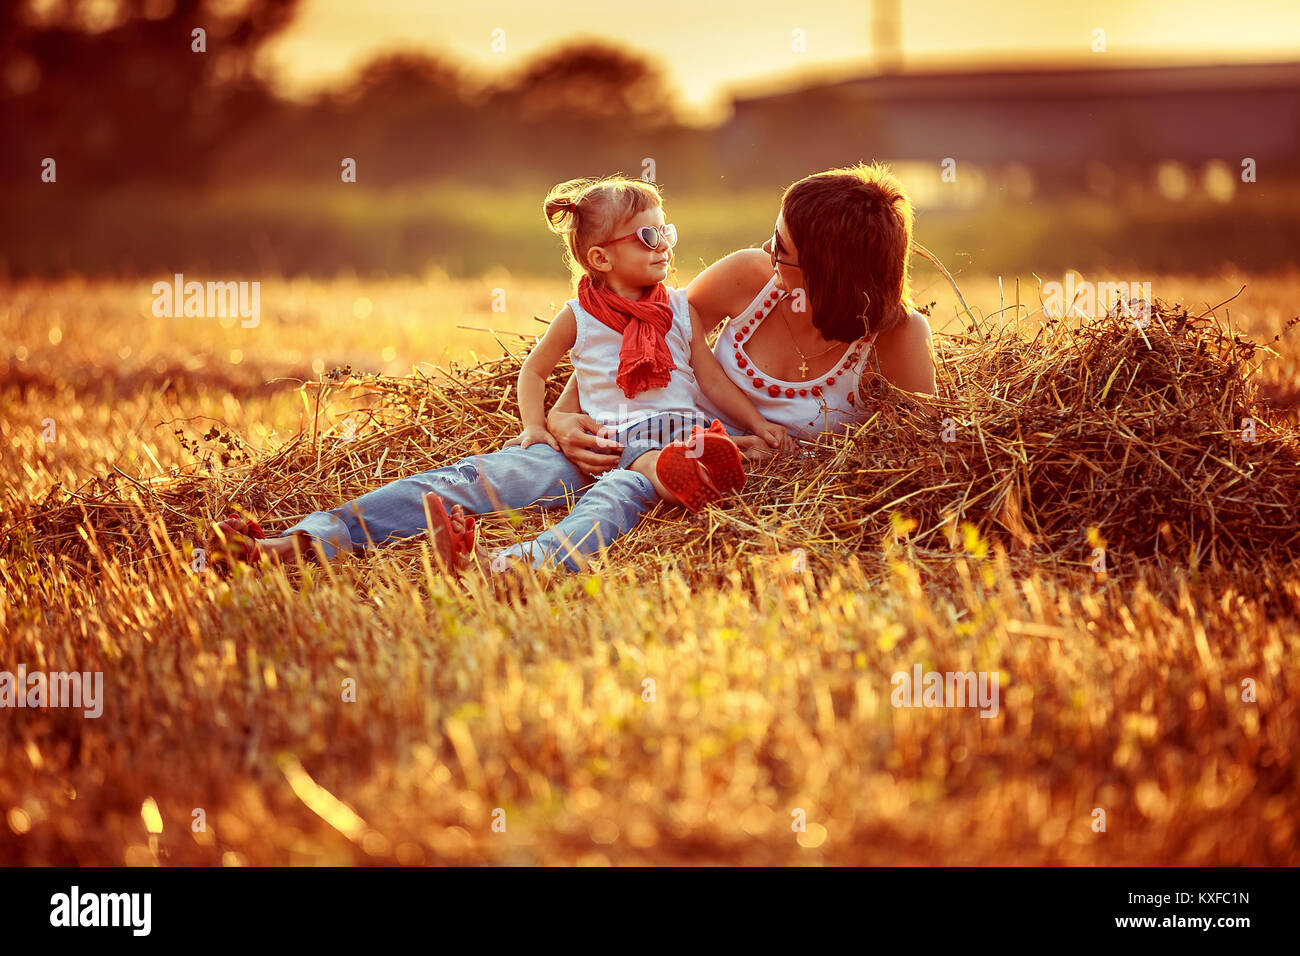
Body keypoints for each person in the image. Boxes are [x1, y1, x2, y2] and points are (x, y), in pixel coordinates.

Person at [207, 174, 792, 576]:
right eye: (647, 235)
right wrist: (537, 428)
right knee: (469, 478)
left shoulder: (682, 309)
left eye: (666, 232)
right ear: (600, 259)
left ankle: (510, 566)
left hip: (664, 437)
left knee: (613, 501)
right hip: (591, 438)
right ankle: (300, 543)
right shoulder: (579, 316)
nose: (663, 244)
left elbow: (712, 382)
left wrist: (757, 423)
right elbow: (534, 372)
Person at [544, 162, 937, 538]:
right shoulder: (748, 277)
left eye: (782, 247)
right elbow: (642, 338)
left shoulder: (898, 338)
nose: (767, 248)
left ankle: (535, 559)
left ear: (827, 270)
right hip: (669, 441)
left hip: (764, 498)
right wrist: (563, 415)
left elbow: (918, 461)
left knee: (617, 494)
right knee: (539, 471)